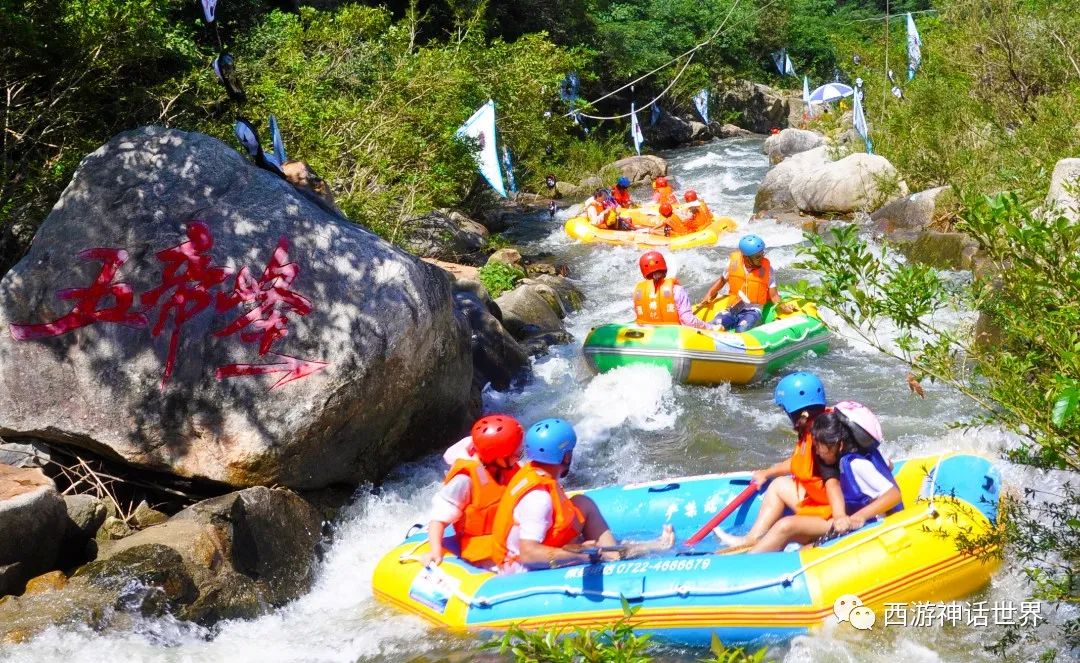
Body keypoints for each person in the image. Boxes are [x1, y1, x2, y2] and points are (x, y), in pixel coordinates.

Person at [490, 419, 674, 571]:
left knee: (582, 503)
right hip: (520, 569)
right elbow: (528, 554)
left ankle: (614, 553)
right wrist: (582, 556)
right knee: (590, 549)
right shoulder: (539, 499)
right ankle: (616, 556)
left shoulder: (533, 472)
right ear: (566, 457)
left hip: (533, 548)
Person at [714, 373, 832, 550]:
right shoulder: (822, 425)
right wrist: (767, 473)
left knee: (784, 526)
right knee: (778, 485)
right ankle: (751, 539)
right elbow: (798, 462)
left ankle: (754, 558)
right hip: (825, 504)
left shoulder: (823, 439)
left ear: (794, 411)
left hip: (834, 515)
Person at [421, 414, 524, 567]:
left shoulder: (508, 467)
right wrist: (435, 550)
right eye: (516, 454)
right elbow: (438, 519)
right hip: (484, 551)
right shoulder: (465, 481)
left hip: (511, 540)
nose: (519, 456)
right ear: (496, 456)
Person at [698, 234, 796, 332]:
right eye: (758, 257)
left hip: (753, 310)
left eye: (762, 254)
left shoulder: (768, 270)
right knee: (715, 325)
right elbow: (722, 280)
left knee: (741, 329)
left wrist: (783, 306)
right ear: (746, 258)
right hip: (733, 307)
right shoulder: (733, 264)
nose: (761, 258)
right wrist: (709, 294)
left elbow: (774, 295)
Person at [832, 401, 903, 524]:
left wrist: (858, 517)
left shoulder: (856, 465)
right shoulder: (869, 454)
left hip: (878, 526)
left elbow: (894, 495)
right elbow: (889, 466)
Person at [632, 251, 709, 329]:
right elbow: (688, 321)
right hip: (673, 336)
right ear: (664, 268)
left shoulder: (638, 293)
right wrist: (709, 327)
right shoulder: (676, 290)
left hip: (647, 335)